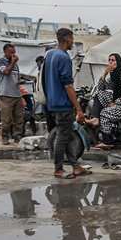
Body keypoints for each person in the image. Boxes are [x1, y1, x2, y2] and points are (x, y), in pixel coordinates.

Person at [43, 28, 89, 179]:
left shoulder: (49, 55)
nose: (73, 42)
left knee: (67, 134)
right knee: (63, 136)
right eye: (72, 39)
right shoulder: (64, 58)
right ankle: (58, 169)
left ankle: (76, 167)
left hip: (52, 103)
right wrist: (78, 109)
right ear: (68, 39)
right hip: (63, 104)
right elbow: (68, 86)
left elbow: (43, 79)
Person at [91, 53, 121, 149]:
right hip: (118, 102)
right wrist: (104, 73)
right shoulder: (113, 74)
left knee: (104, 113)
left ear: (118, 62)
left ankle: (108, 141)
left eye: (113, 60)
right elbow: (101, 88)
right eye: (109, 60)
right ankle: (95, 118)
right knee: (99, 93)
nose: (110, 62)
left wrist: (115, 103)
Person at [0, 43, 23, 144]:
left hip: (16, 94)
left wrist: (20, 81)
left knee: (18, 117)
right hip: (6, 94)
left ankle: (17, 135)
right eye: (11, 52)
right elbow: (6, 72)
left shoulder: (16, 65)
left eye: (14, 52)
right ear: (5, 52)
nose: (13, 54)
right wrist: (12, 62)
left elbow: (17, 77)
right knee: (6, 117)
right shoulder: (0, 62)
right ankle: (5, 136)